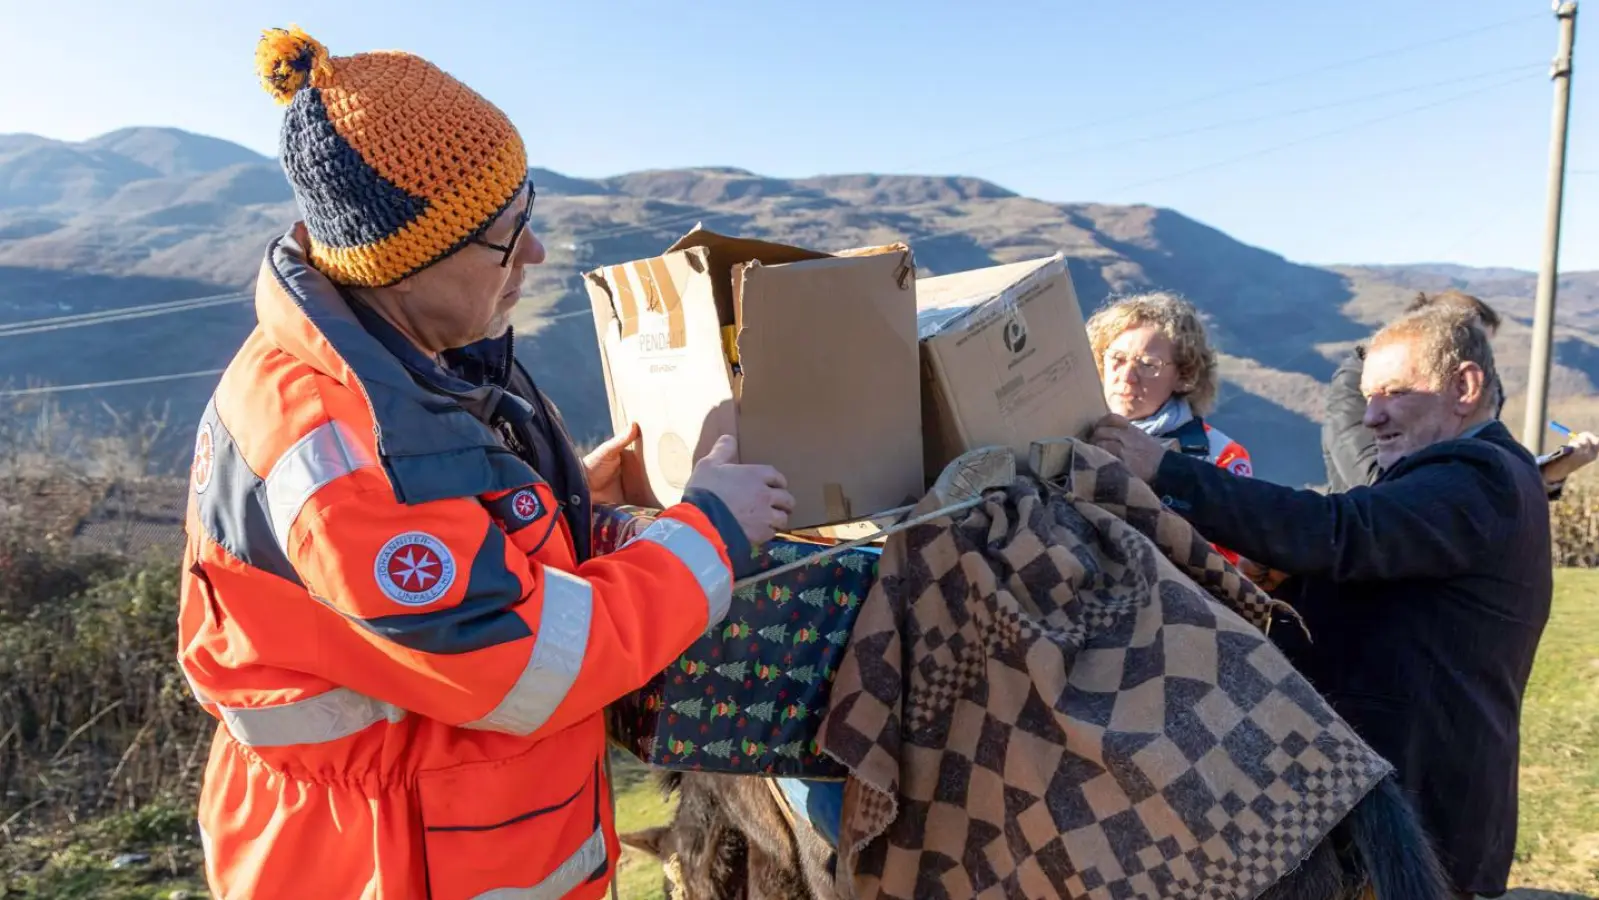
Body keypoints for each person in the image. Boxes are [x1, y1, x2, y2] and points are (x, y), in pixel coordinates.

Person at [177, 27, 794, 900]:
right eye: (506, 237)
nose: (534, 255)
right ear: (405, 261)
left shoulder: (399, 361)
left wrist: (559, 503)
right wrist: (712, 534)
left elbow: (444, 552)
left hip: (452, 837)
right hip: (381, 865)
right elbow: (524, 664)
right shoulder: (342, 455)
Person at [1089, 306, 1553, 900]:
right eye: (1367, 395)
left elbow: (1343, 531)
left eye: (1392, 393)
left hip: (1415, 821)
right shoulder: (1471, 477)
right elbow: (1385, 576)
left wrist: (1163, 469)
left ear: (1463, 387)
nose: (1371, 415)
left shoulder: (1476, 474)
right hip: (1403, 815)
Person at [1323, 288, 1598, 496]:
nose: (1479, 358)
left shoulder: (1483, 387)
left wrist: (1550, 474)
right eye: (1468, 343)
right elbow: (1374, 480)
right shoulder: (1353, 382)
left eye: (1484, 348)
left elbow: (1487, 471)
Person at [1085, 292, 1254, 566]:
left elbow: (1225, 563)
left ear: (1184, 376)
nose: (1126, 377)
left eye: (1148, 365)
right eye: (1116, 358)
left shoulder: (1222, 455)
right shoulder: (1067, 430)